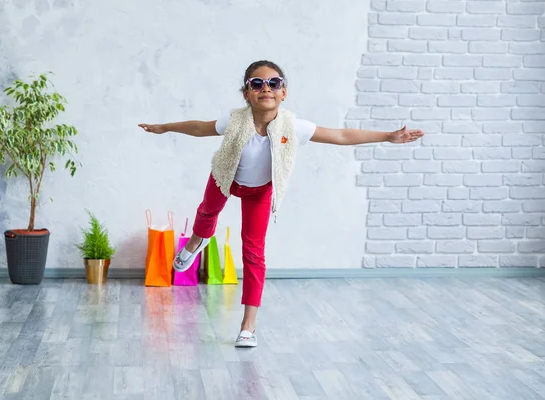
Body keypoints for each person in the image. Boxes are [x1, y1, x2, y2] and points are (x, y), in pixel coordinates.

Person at [139, 60, 424, 347]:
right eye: (257, 83)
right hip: (225, 176)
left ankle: (248, 325)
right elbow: (200, 128)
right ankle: (195, 243)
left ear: (283, 92)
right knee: (207, 211)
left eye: (274, 83)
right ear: (246, 93)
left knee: (253, 252)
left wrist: (388, 136)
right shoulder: (235, 121)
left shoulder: (294, 126)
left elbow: (341, 135)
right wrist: (164, 127)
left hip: (260, 192)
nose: (266, 88)